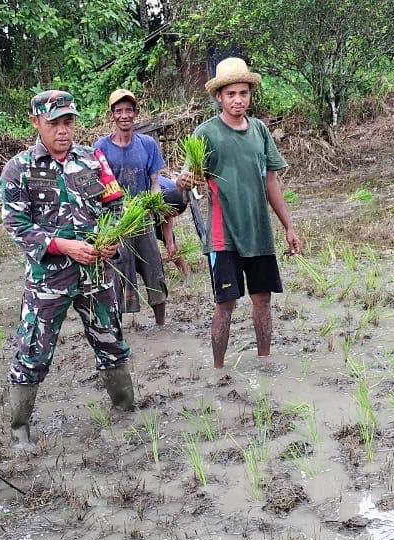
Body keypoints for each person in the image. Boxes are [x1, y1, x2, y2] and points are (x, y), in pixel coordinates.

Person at [0, 89, 137, 450]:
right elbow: (16, 225)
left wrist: (112, 238)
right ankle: (20, 430)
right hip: (49, 279)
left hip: (96, 274)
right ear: (35, 122)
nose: (63, 130)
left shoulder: (93, 159)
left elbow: (115, 206)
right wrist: (63, 246)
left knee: (110, 340)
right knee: (33, 350)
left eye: (68, 122)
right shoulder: (19, 169)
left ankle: (125, 409)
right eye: (54, 123)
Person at [177, 57, 301, 369]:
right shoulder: (205, 133)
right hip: (223, 236)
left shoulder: (259, 130)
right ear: (219, 96)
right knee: (225, 304)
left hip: (259, 233)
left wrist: (288, 226)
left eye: (243, 93)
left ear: (250, 95)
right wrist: (185, 180)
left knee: (263, 300)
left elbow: (271, 180)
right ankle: (218, 371)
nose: (238, 100)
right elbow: (189, 176)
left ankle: (265, 363)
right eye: (231, 94)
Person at [93, 89, 173, 326]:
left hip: (142, 219)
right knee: (118, 272)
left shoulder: (147, 144)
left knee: (154, 268)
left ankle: (161, 325)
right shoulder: (101, 147)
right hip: (115, 222)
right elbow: (98, 186)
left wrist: (153, 205)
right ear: (112, 115)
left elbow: (155, 182)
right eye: (119, 111)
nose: (124, 115)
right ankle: (118, 329)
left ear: (136, 113)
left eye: (129, 110)